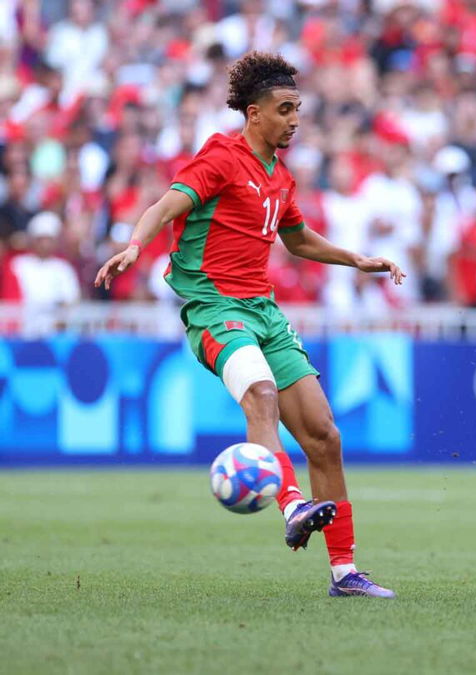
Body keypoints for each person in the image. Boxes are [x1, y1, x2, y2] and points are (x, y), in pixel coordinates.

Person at [94, 51, 406, 599]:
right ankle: (290, 504)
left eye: (298, 109)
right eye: (284, 109)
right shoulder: (220, 156)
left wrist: (356, 259)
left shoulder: (280, 178)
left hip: (263, 311)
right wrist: (134, 245)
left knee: (324, 435)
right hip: (214, 308)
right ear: (254, 113)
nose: (294, 119)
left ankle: (345, 573)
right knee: (260, 393)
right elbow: (166, 206)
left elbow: (299, 239)